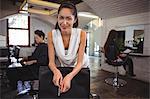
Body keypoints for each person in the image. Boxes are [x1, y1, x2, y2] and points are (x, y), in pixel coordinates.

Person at [47, 2, 89, 97]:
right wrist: (56, 71)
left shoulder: (82, 34)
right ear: (57, 18)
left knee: (78, 92)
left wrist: (69, 76)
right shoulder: (51, 35)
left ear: (75, 20)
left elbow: (79, 63)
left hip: (81, 66)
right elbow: (51, 63)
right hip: (64, 66)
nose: (64, 23)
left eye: (68, 18)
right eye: (61, 17)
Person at [7, 30, 48, 95]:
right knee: (14, 69)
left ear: (42, 37)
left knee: (11, 70)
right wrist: (26, 58)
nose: (35, 40)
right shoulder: (39, 46)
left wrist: (32, 61)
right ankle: (15, 87)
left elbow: (43, 61)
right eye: (35, 38)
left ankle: (14, 90)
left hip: (36, 70)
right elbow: (34, 57)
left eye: (37, 38)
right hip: (32, 67)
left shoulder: (45, 47)